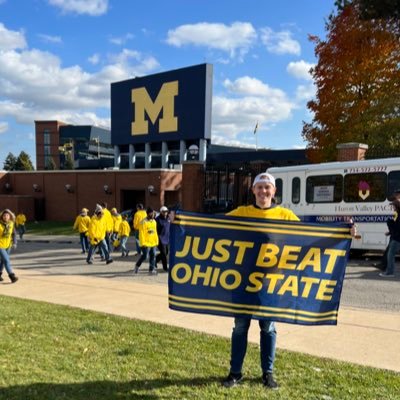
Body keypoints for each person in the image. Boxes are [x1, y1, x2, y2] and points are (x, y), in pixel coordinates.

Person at [222, 172, 357, 389]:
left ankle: (268, 373)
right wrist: (179, 220)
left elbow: (309, 235)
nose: (263, 191)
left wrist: (342, 231)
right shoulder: (242, 212)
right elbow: (211, 226)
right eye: (260, 187)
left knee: (268, 328)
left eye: (268, 187)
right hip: (243, 281)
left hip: (272, 283)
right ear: (253, 190)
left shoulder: (285, 215)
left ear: (274, 191)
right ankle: (235, 373)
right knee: (240, 326)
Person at [134, 207, 159, 275]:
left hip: (153, 242)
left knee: (153, 255)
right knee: (145, 256)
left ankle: (151, 269)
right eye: (152, 213)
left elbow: (155, 232)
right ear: (148, 214)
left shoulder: (154, 222)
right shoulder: (143, 222)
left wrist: (156, 241)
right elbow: (141, 234)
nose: (153, 215)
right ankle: (137, 265)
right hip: (146, 243)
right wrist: (143, 243)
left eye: (154, 213)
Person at [379, 197, 400, 277]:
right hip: (396, 238)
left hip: (397, 239)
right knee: (390, 254)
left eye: (393, 206)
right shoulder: (398, 215)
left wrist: (390, 223)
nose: (392, 207)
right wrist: (390, 232)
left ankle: (389, 272)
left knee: (390, 255)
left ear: (397, 206)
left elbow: (397, 228)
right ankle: (389, 271)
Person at [0, 209, 18, 283]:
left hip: (8, 245)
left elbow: (13, 234)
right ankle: (12, 276)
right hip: (0, 245)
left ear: (10, 216)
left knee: (3, 261)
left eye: (7, 215)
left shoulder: (11, 224)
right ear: (2, 217)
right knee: (7, 260)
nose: (6, 217)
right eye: (4, 215)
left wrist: (14, 242)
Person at [156, 206, 171, 271]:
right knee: (164, 253)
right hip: (160, 239)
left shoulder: (168, 218)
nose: (165, 213)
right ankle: (165, 268)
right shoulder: (157, 219)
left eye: (166, 212)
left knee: (166, 252)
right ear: (161, 212)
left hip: (167, 238)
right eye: (164, 212)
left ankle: (154, 261)